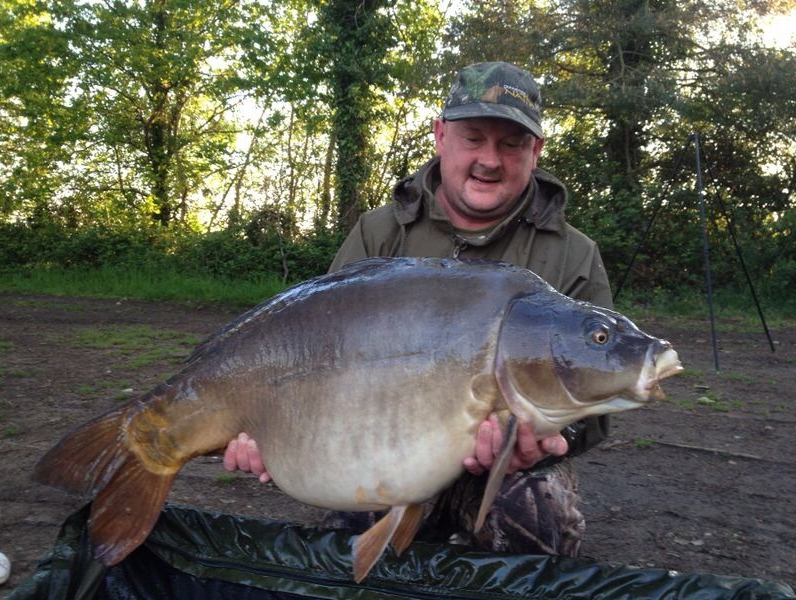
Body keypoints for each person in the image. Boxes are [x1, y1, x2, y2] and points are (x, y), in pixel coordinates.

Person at [225, 61, 613, 557]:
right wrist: (264, 425)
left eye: (511, 144)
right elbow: (313, 353)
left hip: (505, 467)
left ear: (535, 151)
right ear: (440, 137)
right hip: (385, 443)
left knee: (537, 509)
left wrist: (557, 434)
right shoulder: (380, 233)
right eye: (474, 138)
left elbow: (598, 400)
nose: (489, 161)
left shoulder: (573, 256)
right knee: (350, 518)